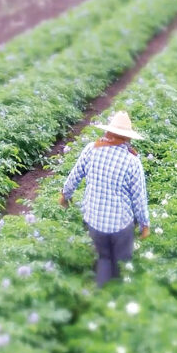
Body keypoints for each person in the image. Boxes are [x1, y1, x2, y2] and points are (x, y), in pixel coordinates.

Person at [59, 111, 150, 287]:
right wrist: (144, 224)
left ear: (108, 133)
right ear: (126, 138)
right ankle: (114, 298)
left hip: (94, 220)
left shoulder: (92, 149)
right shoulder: (132, 161)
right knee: (120, 265)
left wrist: (65, 196)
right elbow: (139, 197)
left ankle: (100, 291)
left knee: (104, 258)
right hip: (120, 225)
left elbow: (74, 177)